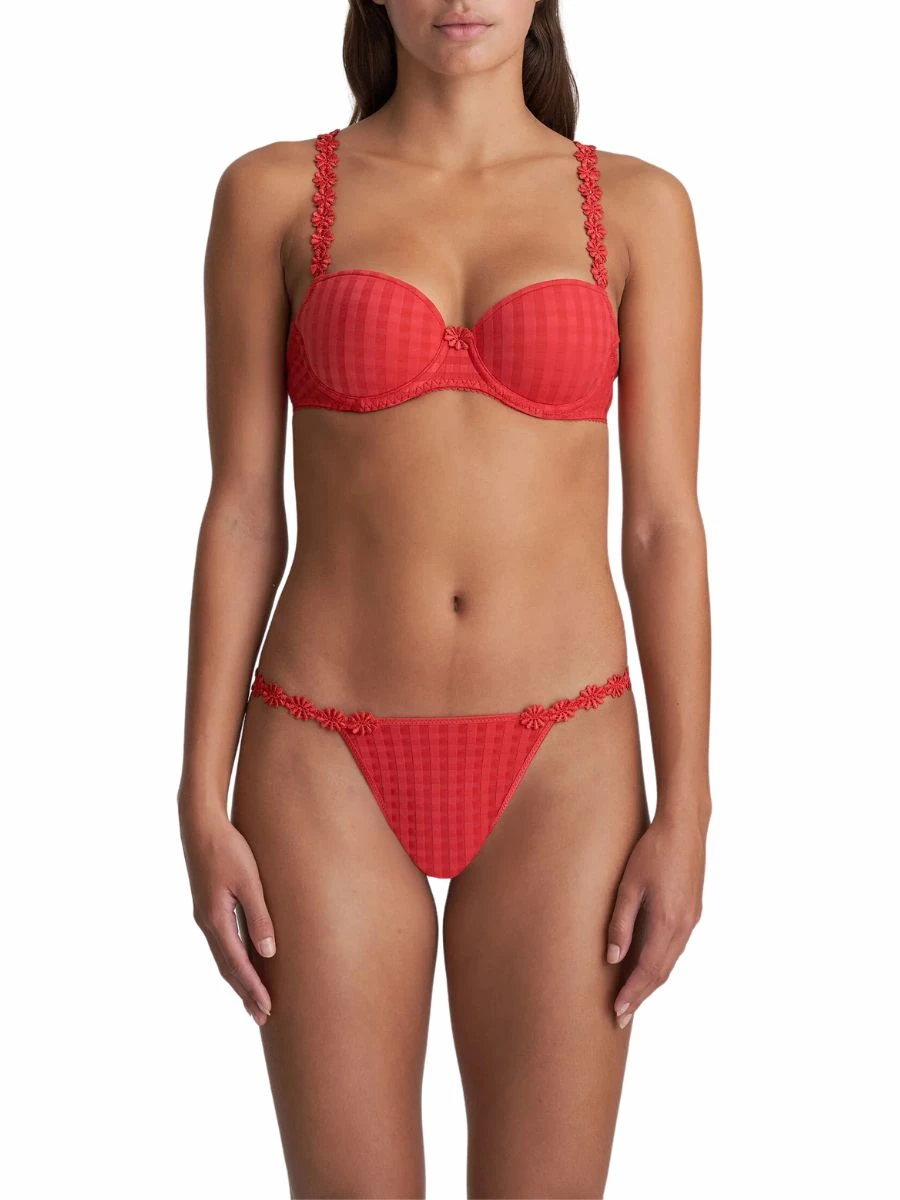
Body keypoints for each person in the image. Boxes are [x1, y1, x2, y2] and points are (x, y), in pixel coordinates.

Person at [177, 1, 711, 1195]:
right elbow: (243, 510)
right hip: (323, 757)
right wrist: (198, 796)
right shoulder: (272, 195)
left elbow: (664, 526)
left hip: (564, 763)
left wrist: (689, 810)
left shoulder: (640, 208)